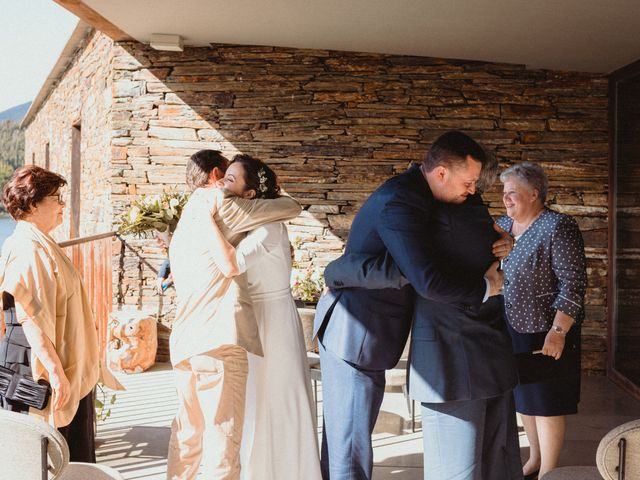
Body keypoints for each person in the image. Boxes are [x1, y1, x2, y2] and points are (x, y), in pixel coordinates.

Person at [314, 130, 521, 480]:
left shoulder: (426, 193)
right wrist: (486, 285)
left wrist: (499, 240)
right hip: (355, 330)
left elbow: (452, 239)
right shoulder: (402, 200)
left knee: (349, 440)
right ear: (441, 173)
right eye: (468, 182)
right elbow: (424, 277)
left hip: (377, 329)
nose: (473, 190)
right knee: (349, 443)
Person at [167, 150, 302, 480]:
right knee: (223, 441)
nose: (226, 185)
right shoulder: (223, 204)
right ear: (214, 177)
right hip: (217, 342)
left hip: (184, 340)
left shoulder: (188, 214)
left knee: (188, 436)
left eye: (232, 179)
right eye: (225, 177)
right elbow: (291, 207)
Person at [200, 154, 322, 480]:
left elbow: (232, 265)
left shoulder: (268, 229)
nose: (222, 184)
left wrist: (205, 219)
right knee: (255, 398)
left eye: (230, 180)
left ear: (250, 195)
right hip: (257, 317)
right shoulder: (249, 224)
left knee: (277, 398)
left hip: (273, 320)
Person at [0, 165, 121, 462]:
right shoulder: (28, 248)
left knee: (65, 453)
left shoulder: (40, 242)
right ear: (32, 204)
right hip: (34, 364)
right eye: (55, 198)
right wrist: (55, 372)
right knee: (40, 456)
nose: (62, 204)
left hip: (50, 358)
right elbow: (31, 317)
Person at [496, 163, 587, 480]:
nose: (506, 199)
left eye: (512, 193)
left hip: (546, 330)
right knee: (524, 400)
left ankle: (550, 469)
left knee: (546, 402)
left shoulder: (558, 226)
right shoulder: (502, 225)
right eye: (504, 192)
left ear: (534, 193)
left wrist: (558, 331)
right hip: (511, 328)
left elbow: (573, 283)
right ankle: (534, 459)